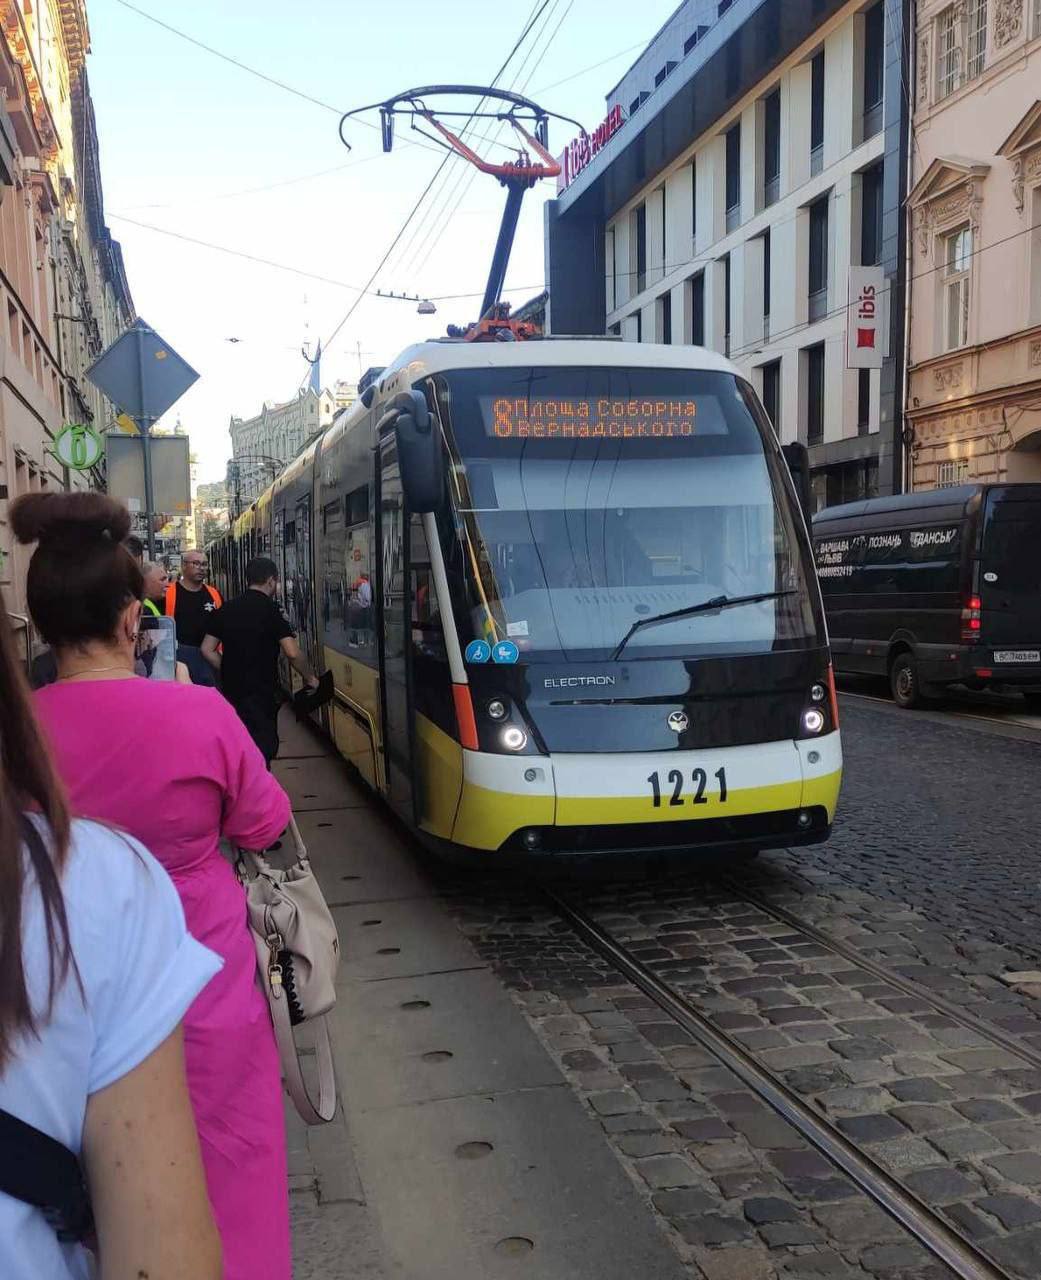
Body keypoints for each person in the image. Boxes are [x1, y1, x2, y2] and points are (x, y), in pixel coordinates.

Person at [12, 491, 295, 1280]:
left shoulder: (20, 733)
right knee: (224, 1179)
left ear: (39, 624)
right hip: (197, 989)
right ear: (134, 618)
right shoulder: (194, 718)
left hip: (51, 997)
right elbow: (264, 824)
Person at [0, 589, 222, 1280]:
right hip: (183, 965)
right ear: (133, 622)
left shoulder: (39, 721)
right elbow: (263, 817)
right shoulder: (92, 885)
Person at [202, 555, 318, 765]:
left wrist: (229, 669)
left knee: (238, 744)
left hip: (233, 690)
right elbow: (292, 653)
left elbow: (207, 649)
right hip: (263, 692)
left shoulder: (227, 608)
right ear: (271, 580)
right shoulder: (272, 611)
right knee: (262, 747)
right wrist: (310, 678)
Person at [165, 549, 222, 685]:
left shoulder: (214, 594)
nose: (201, 568)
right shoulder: (169, 593)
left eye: (204, 564)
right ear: (184, 566)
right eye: (196, 563)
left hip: (209, 660)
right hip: (180, 661)